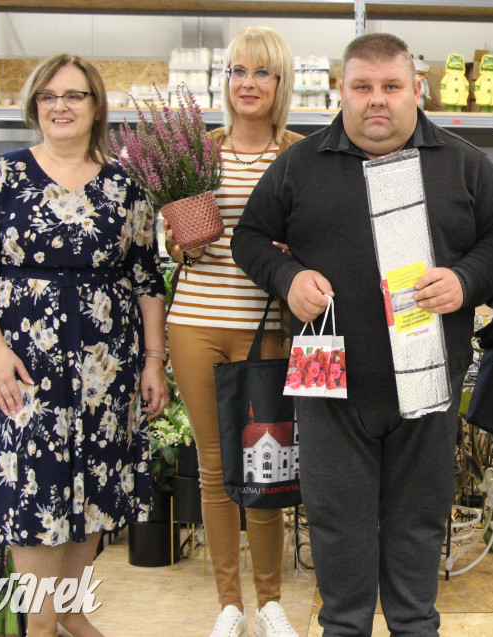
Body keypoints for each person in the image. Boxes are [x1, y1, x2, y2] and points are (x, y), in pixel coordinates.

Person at [232, 33, 493, 636]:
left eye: (391, 86)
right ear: (343, 91)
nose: (377, 101)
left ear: (418, 89)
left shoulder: (464, 164)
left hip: (427, 385)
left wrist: (466, 280)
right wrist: (289, 276)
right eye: (362, 87)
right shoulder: (300, 163)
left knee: (418, 526)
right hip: (331, 389)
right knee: (337, 525)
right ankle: (345, 628)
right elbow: (249, 238)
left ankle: (415, 626)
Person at [0, 54, 168, 637]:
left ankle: (67, 618)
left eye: (73, 95)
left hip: (102, 376)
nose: (60, 106)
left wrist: (153, 361)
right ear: (34, 105)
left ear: (96, 106)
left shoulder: (126, 188)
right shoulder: (2, 176)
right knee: (32, 522)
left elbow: (146, 280)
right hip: (20, 372)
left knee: (87, 515)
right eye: (48, 96)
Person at [164, 26, 303, 637]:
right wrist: (175, 241)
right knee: (215, 466)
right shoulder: (195, 152)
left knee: (265, 462)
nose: (248, 84)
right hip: (194, 322)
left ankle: (270, 601)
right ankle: (229, 604)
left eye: (262, 73)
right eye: (238, 72)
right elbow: (167, 242)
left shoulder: (300, 154)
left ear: (281, 83)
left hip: (266, 326)